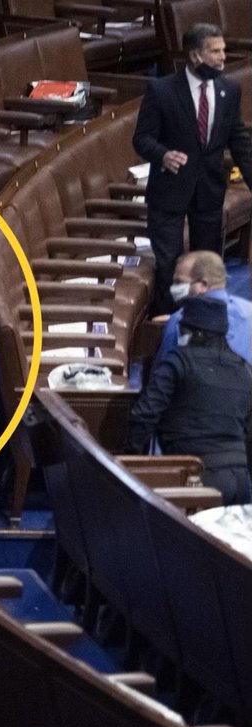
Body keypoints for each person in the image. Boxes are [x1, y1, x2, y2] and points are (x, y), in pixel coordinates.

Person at [132, 23, 252, 315]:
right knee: (170, 263)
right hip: (169, 191)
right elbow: (141, 139)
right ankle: (167, 323)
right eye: (215, 51)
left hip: (208, 191)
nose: (223, 57)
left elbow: (239, 140)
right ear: (195, 56)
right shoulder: (161, 91)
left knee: (206, 264)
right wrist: (162, 154)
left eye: (223, 50)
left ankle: (202, 321)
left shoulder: (229, 90)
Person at [127, 296, 252, 505]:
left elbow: (145, 415)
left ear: (192, 331)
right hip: (241, 482)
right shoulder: (244, 370)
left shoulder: (177, 362)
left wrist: (129, 462)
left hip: (196, 479)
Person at [153, 250, 252, 366]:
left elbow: (163, 370)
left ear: (203, 284)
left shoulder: (178, 322)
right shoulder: (249, 311)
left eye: (179, 282)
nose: (174, 288)